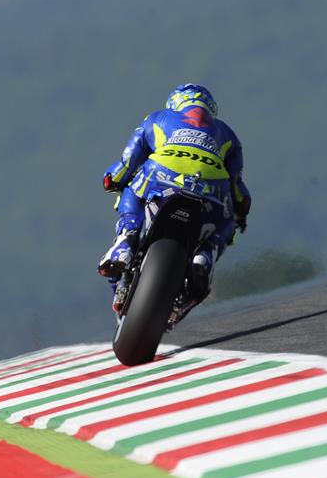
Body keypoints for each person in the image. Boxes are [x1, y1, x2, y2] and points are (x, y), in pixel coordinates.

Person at [97, 83, 251, 311]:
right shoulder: (227, 134)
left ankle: (127, 239)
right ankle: (205, 255)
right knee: (227, 221)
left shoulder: (157, 118)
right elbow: (237, 187)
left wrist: (111, 179)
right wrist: (240, 212)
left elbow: (127, 163)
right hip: (210, 188)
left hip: (161, 175)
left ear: (175, 102)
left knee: (131, 189)